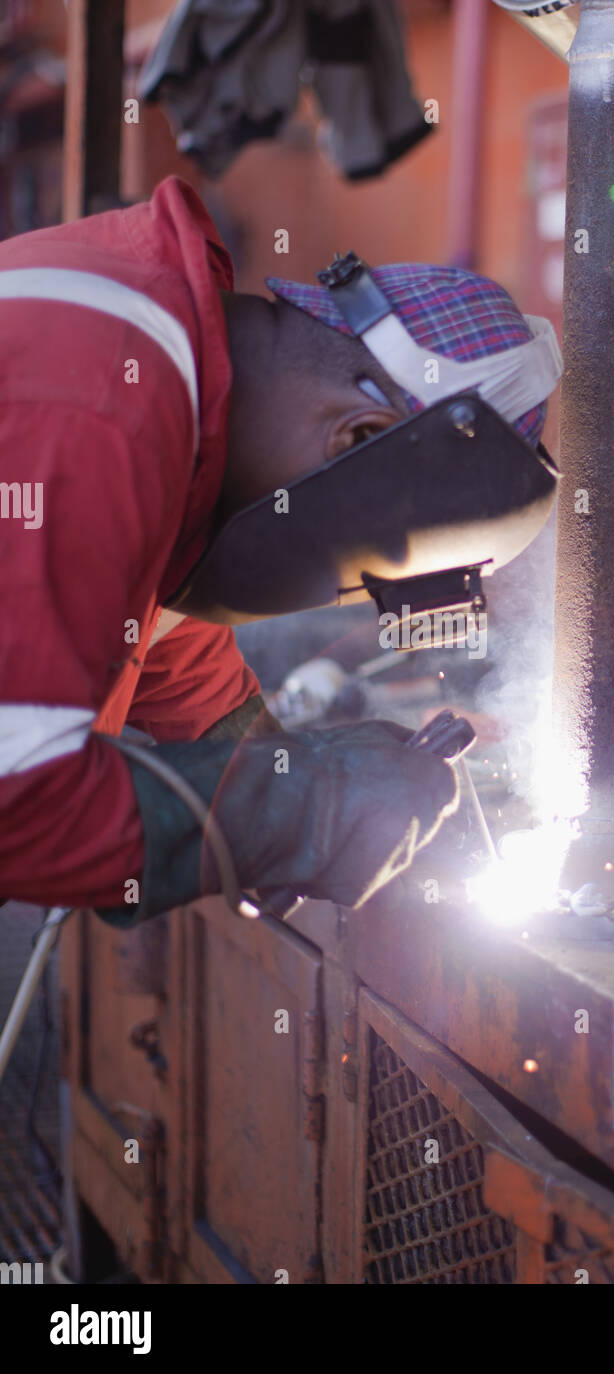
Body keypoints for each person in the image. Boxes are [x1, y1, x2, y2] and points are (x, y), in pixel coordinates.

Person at [0, 176, 561, 927]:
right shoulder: (99, 404)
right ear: (356, 438)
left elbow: (145, 617)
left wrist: (265, 754)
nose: (335, 592)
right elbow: (18, 799)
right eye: (362, 577)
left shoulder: (154, 356)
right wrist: (302, 810)